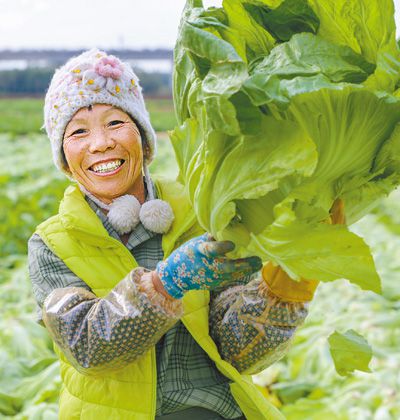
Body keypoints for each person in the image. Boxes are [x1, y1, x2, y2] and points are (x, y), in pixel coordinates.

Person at [28, 48, 335, 420]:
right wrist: (166, 283)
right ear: (63, 155)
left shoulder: (202, 213)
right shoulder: (51, 243)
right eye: (78, 131)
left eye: (115, 123)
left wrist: (288, 282)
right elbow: (88, 348)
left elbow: (240, 352)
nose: (100, 143)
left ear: (142, 136)